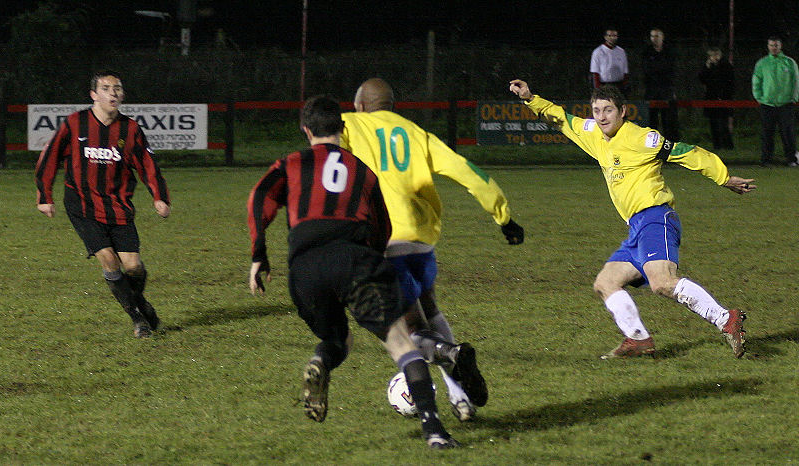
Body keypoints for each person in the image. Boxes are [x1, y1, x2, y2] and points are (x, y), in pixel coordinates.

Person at [247, 95, 459, 449]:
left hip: (305, 267)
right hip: (354, 260)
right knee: (401, 344)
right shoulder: (362, 170)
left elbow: (259, 198)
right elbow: (383, 227)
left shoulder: (292, 163)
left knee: (337, 340)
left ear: (305, 130)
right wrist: (371, 262)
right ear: (342, 130)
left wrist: (259, 253)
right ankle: (435, 431)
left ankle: (321, 361)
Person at [509, 79, 754, 359]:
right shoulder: (593, 133)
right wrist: (530, 98)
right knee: (606, 283)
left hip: (656, 217)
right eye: (597, 110)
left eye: (608, 110)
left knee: (662, 282)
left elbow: (686, 153)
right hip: (637, 227)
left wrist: (723, 177)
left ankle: (726, 319)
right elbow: (561, 118)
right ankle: (638, 339)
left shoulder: (641, 138)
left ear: (623, 111)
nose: (601, 117)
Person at [339, 78, 524, 421]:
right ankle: (461, 400)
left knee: (410, 331)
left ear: (360, 105)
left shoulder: (351, 124)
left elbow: (325, 151)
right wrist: (504, 216)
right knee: (429, 307)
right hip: (421, 239)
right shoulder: (417, 133)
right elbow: (468, 172)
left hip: (384, 238)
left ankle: (453, 353)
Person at [35, 70, 170, 338]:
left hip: (118, 206)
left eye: (118, 88)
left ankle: (139, 302)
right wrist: (44, 196)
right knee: (109, 260)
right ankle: (137, 319)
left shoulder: (130, 128)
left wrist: (160, 196)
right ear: (94, 95)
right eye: (106, 88)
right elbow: (48, 158)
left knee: (133, 267)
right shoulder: (75, 124)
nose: (113, 93)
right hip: (82, 206)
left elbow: (148, 165)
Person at [752, 36, 799, 167]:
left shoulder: (789, 62)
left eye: (776, 45)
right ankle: (766, 159)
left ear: (780, 46)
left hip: (786, 104)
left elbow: (796, 81)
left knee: (788, 133)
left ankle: (791, 159)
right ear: (768, 46)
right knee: (767, 133)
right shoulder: (762, 63)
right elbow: (756, 81)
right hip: (767, 104)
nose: (774, 48)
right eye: (771, 45)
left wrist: (794, 98)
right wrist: (759, 98)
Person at [642, 28, 679, 140]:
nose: (654, 39)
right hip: (651, 90)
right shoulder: (647, 52)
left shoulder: (669, 51)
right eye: (652, 36)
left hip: (666, 89)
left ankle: (670, 142)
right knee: (651, 119)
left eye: (657, 36)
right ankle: (652, 143)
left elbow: (672, 70)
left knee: (668, 118)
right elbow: (647, 70)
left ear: (662, 37)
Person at [699, 46, 735, 150]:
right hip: (711, 98)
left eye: (716, 55)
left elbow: (730, 82)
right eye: (712, 55)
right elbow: (702, 79)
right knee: (713, 123)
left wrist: (726, 95)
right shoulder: (707, 66)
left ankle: (728, 145)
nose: (714, 57)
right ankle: (717, 145)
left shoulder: (726, 66)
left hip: (724, 98)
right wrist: (707, 68)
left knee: (724, 123)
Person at [590, 28, 629, 94]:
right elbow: (595, 72)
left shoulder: (621, 51)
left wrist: (625, 86)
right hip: (604, 85)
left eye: (615, 36)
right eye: (610, 36)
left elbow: (625, 71)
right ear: (605, 37)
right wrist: (598, 89)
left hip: (618, 85)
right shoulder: (598, 51)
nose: (612, 38)